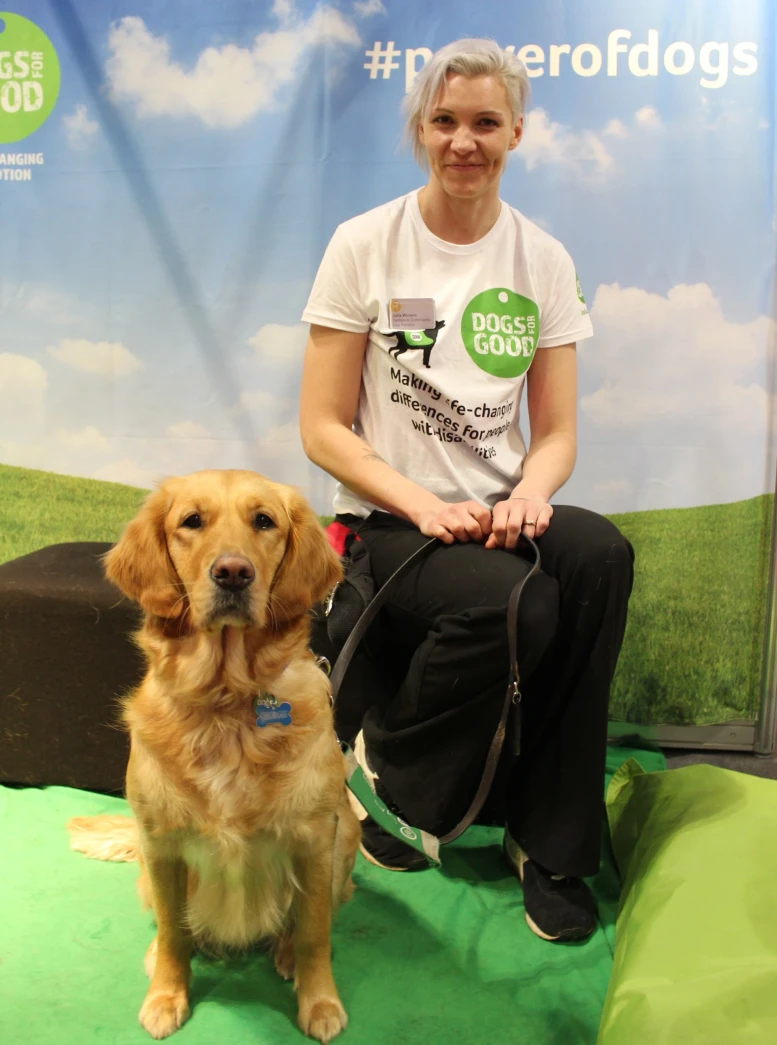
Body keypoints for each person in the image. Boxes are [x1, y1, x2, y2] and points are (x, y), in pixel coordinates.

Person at [298, 38, 634, 943]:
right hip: (392, 518)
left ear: (515, 132)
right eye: (444, 121)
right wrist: (419, 504)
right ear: (419, 130)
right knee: (515, 601)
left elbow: (556, 432)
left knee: (598, 554)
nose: (463, 141)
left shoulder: (543, 259)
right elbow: (323, 428)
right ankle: (389, 773)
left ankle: (551, 841)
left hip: (496, 507)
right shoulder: (363, 244)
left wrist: (531, 492)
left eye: (485, 122)